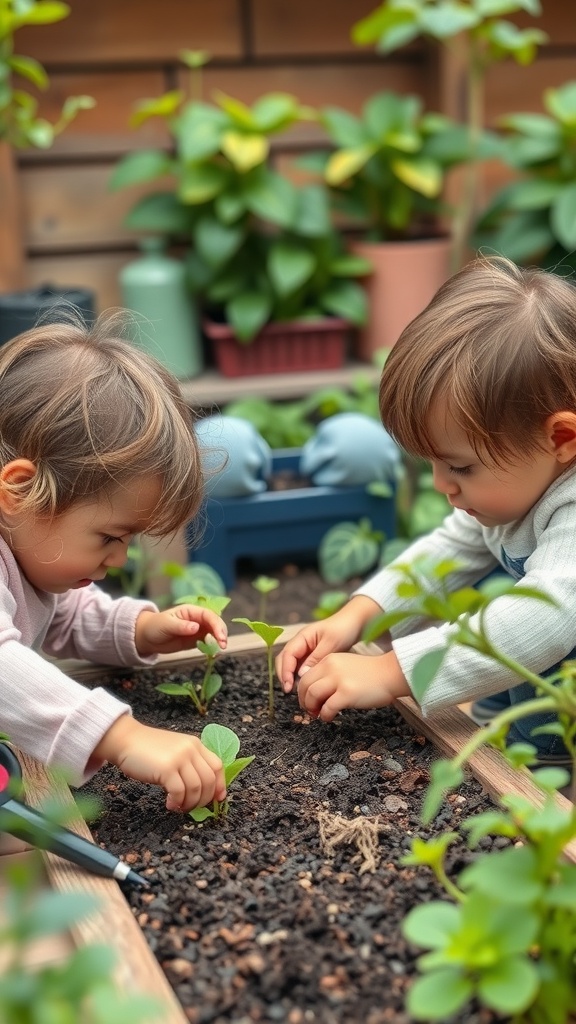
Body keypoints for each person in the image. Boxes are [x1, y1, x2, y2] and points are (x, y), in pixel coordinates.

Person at [277, 255, 576, 764]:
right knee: (499, 721)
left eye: (460, 467)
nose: (443, 486)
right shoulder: (520, 484)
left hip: (559, 685)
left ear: (561, 438)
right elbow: (444, 554)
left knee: (542, 762)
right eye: (433, 464)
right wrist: (357, 617)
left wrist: (392, 672)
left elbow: (544, 620)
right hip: (532, 673)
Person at [0, 312, 229, 812]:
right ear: (20, 490)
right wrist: (122, 737)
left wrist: (141, 630)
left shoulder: (27, 554)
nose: (120, 557)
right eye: (109, 536)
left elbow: (65, 612)